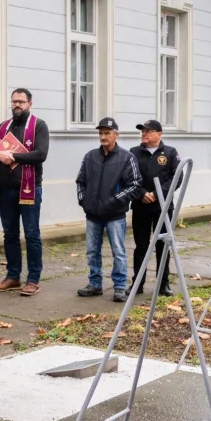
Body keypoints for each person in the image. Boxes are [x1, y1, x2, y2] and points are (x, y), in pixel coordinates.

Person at [0, 89, 50, 295]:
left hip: (30, 189)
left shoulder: (39, 125)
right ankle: (13, 276)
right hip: (6, 189)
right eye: (14, 101)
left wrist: (12, 156)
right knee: (10, 234)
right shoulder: (3, 127)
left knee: (31, 234)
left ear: (30, 104)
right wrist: (0, 155)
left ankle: (33, 279)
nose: (17, 105)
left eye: (21, 102)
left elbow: (40, 154)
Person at [75, 117, 142, 301]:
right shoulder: (90, 157)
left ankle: (119, 286)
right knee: (92, 251)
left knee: (118, 252)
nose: (103, 137)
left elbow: (135, 185)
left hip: (115, 215)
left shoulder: (127, 158)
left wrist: (114, 201)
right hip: (92, 215)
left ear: (116, 135)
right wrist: (83, 200)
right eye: (101, 133)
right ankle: (95, 284)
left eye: (107, 133)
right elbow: (81, 181)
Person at [125, 120, 180, 300]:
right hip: (141, 205)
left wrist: (157, 194)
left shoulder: (170, 153)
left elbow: (176, 177)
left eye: (148, 131)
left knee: (162, 245)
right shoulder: (134, 152)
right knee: (141, 246)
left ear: (159, 134)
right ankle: (138, 283)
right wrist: (141, 193)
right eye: (143, 131)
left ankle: (163, 283)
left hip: (162, 207)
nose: (144, 134)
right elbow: (129, 176)